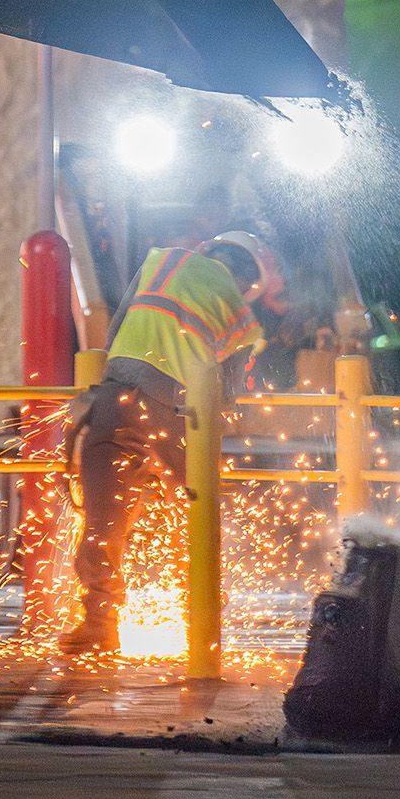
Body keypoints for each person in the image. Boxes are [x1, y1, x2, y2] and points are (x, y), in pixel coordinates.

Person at [58, 237, 285, 655]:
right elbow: (224, 399)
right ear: (248, 283)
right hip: (178, 412)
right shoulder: (243, 320)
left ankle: (99, 625)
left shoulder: (159, 262)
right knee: (194, 517)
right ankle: (201, 623)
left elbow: (115, 332)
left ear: (209, 250)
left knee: (103, 520)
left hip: (114, 396)